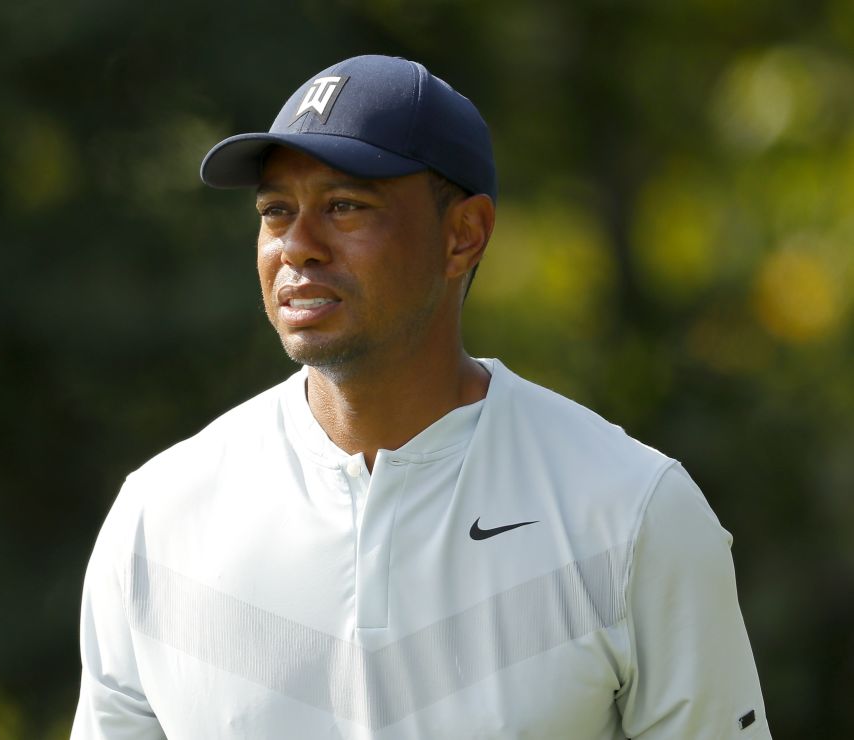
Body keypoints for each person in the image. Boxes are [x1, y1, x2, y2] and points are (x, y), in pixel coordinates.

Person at [71, 54, 770, 739]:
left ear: (464, 235)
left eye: (345, 206)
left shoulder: (630, 510)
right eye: (276, 211)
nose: (298, 246)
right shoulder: (158, 518)